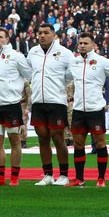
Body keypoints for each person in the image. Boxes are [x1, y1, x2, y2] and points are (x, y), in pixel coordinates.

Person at [66, 32, 109, 187]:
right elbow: (64, 78)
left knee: (100, 143)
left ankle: (101, 178)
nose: (82, 45)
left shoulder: (102, 61)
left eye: (86, 43)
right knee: (78, 144)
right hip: (78, 109)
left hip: (95, 109)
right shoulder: (74, 62)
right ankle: (79, 178)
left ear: (93, 45)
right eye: (80, 43)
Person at [27, 23, 75, 186]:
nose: (42, 35)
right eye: (40, 33)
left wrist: (59, 83)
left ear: (54, 35)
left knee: (58, 137)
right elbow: (28, 71)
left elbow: (71, 73)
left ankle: (64, 175)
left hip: (56, 101)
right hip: (38, 100)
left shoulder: (65, 53)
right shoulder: (33, 52)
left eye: (46, 32)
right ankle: (48, 174)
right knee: (42, 138)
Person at [0, 27, 32, 186]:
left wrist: (18, 91)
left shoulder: (16, 56)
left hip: (11, 105)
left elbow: (29, 75)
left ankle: (14, 177)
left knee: (14, 140)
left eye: (0, 37)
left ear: (7, 39)